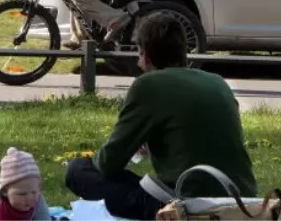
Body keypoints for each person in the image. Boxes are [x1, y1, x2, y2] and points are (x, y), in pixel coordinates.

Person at [64, 13, 257, 221]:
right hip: (241, 199)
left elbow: (108, 162)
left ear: (145, 55)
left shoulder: (149, 85)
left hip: (188, 205)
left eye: (139, 55)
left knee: (78, 169)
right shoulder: (217, 82)